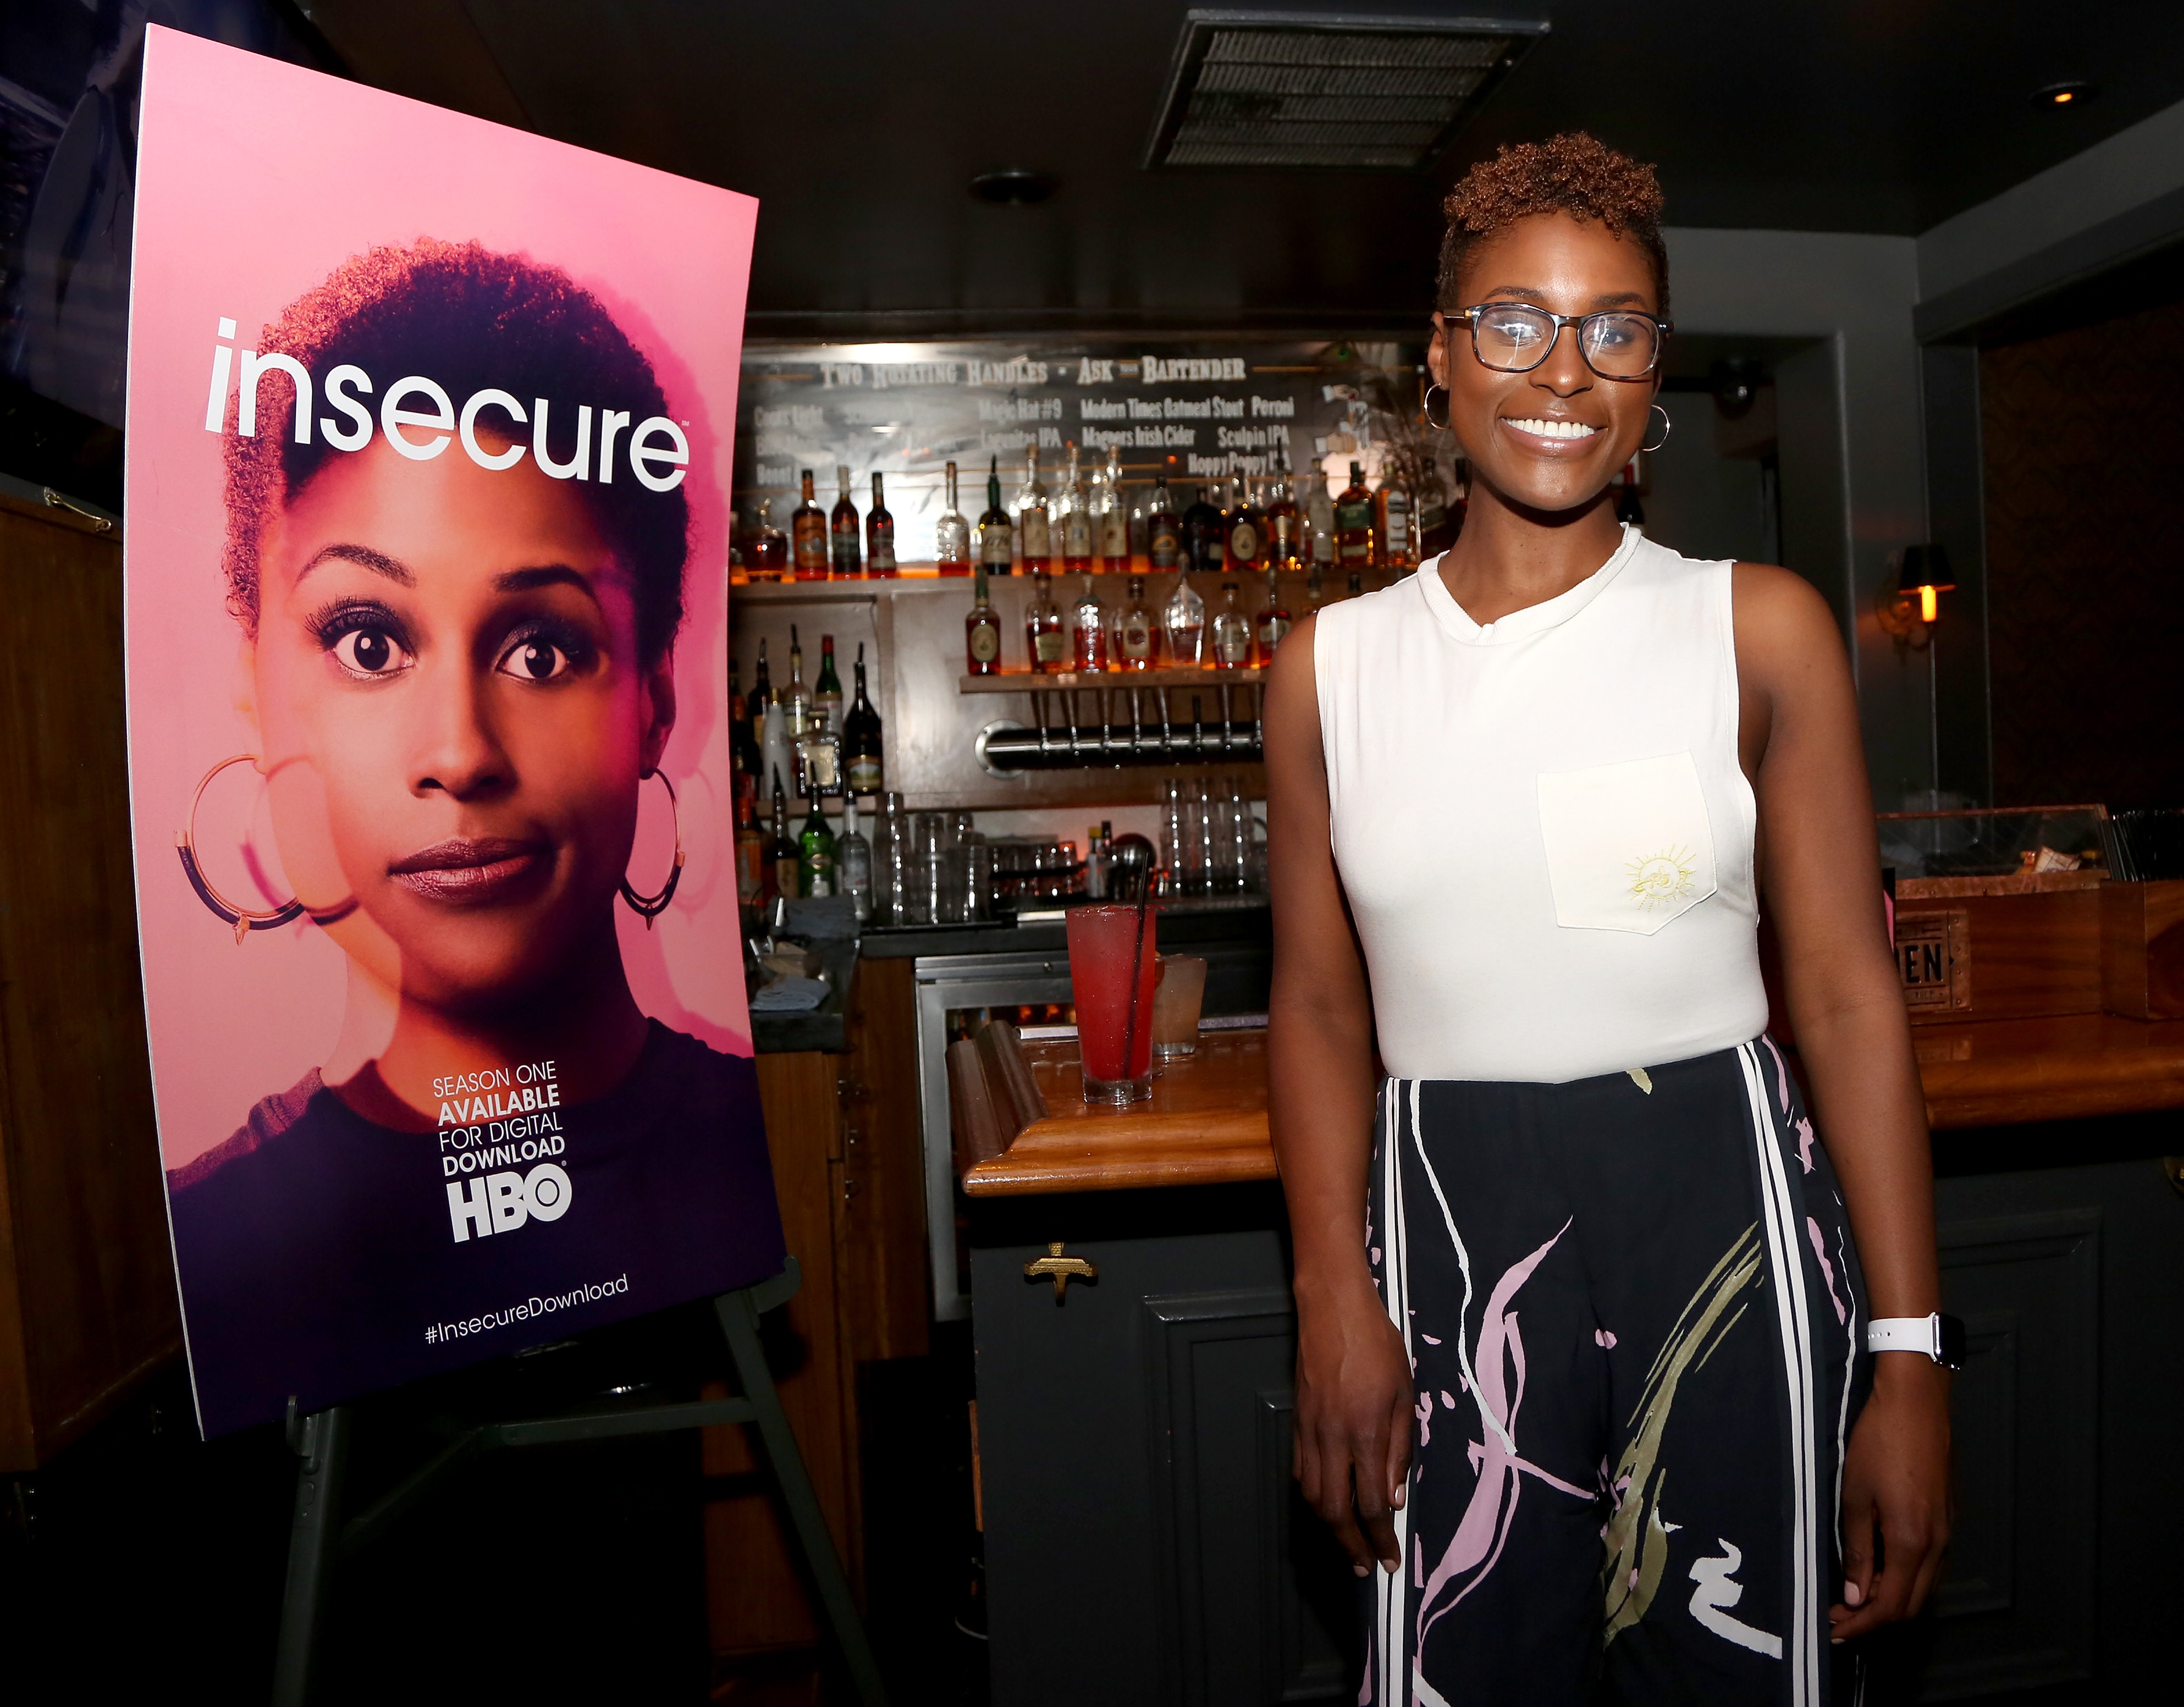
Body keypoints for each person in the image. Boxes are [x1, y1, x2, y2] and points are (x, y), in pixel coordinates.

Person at [1264, 135, 1950, 1705]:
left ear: (1656, 369)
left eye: (1615, 328)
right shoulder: (1329, 670)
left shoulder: (1756, 627)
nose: (1564, 369)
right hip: (1445, 1223)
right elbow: (1315, 1008)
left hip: (1723, 1209)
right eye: (1513, 322)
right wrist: (1330, 1293)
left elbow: (1848, 997)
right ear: (1440, 357)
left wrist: (1910, 1354)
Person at [165, 240, 781, 1436]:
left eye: (541, 648)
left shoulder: (729, 1158)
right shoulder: (221, 1244)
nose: (460, 751)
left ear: (655, 693)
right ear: (257, 690)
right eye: (368, 641)